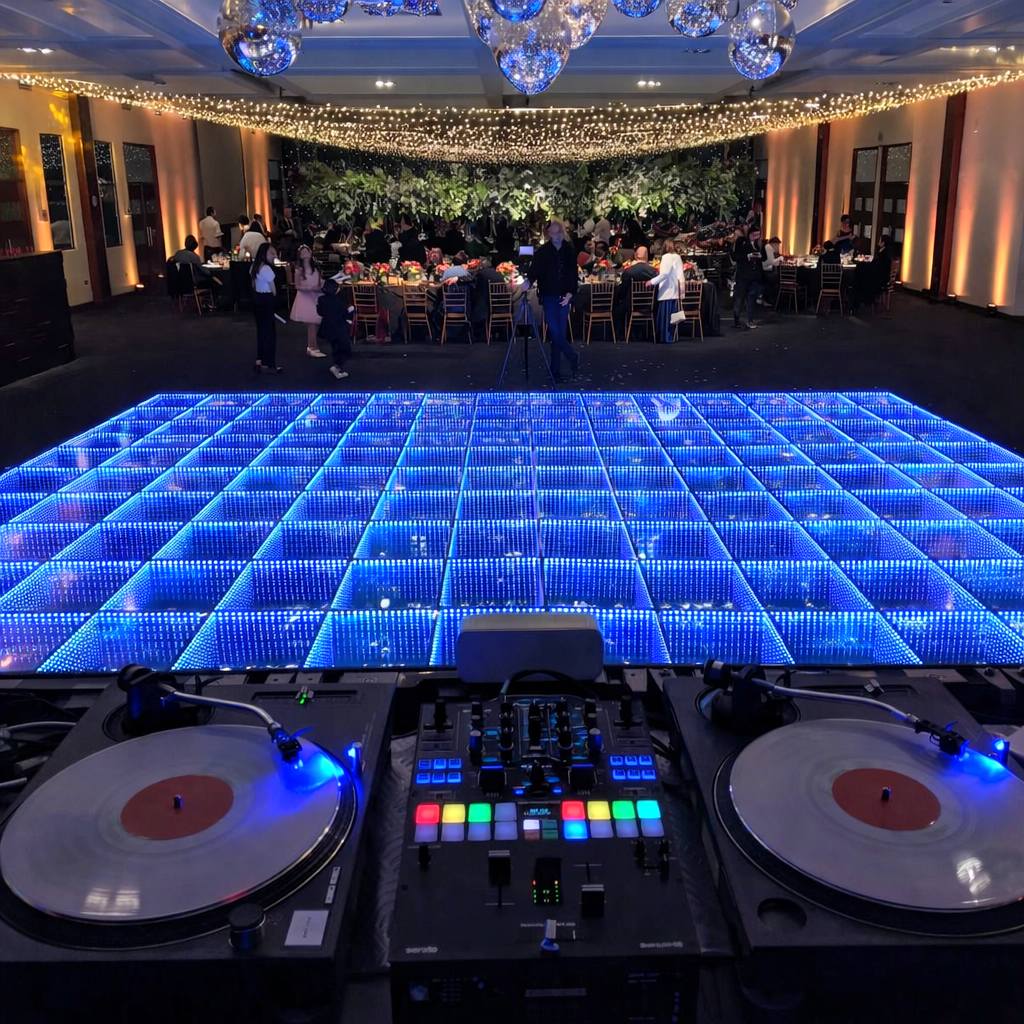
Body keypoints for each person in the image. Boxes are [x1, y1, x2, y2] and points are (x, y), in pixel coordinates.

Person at [528, 219, 579, 382]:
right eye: (553, 233)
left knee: (559, 333)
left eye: (558, 232)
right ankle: (571, 356)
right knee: (555, 332)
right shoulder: (543, 252)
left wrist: (570, 294)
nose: (556, 235)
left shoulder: (569, 250)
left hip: (564, 296)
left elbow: (573, 274)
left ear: (562, 232)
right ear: (549, 234)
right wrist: (527, 282)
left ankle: (555, 371)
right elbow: (534, 271)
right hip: (548, 295)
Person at [290, 244, 326, 358]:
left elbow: (320, 282)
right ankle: (312, 347)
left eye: (307, 251)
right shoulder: (299, 270)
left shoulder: (316, 268)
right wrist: (309, 288)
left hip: (316, 296)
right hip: (305, 298)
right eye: (303, 252)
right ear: (300, 255)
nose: (305, 253)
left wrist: (321, 287)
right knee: (311, 323)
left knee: (315, 322)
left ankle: (313, 346)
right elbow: (297, 286)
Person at [251, 242, 282, 374]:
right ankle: (269, 364)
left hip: (257, 299)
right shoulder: (267, 269)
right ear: (264, 254)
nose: (274, 255)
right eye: (271, 253)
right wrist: (274, 298)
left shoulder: (254, 266)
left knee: (261, 331)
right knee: (270, 332)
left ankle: (260, 360)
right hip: (267, 299)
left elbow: (253, 284)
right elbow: (273, 288)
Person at [646, 240, 684, 344]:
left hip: (667, 291)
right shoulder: (677, 257)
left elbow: (664, 274)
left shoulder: (666, 257)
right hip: (675, 291)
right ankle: (672, 336)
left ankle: (666, 337)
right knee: (672, 318)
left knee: (666, 317)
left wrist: (652, 281)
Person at [317, 278, 354, 380]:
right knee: (344, 349)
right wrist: (351, 311)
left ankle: (336, 366)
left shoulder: (321, 299)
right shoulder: (339, 300)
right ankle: (337, 368)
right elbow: (344, 312)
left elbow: (320, 312)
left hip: (328, 328)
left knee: (335, 347)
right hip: (339, 328)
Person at [733, 225, 766, 329]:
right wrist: (747, 256)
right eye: (754, 235)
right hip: (743, 276)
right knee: (740, 298)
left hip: (754, 276)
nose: (756, 237)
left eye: (758, 235)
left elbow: (764, 258)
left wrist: (759, 254)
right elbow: (735, 257)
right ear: (750, 234)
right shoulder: (742, 242)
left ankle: (750, 320)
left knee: (751, 299)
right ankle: (736, 320)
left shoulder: (759, 244)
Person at [615, 245, 658, 325]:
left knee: (616, 308)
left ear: (635, 256)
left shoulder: (628, 271)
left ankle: (621, 332)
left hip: (630, 305)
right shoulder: (654, 272)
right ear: (647, 256)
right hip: (649, 305)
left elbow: (623, 291)